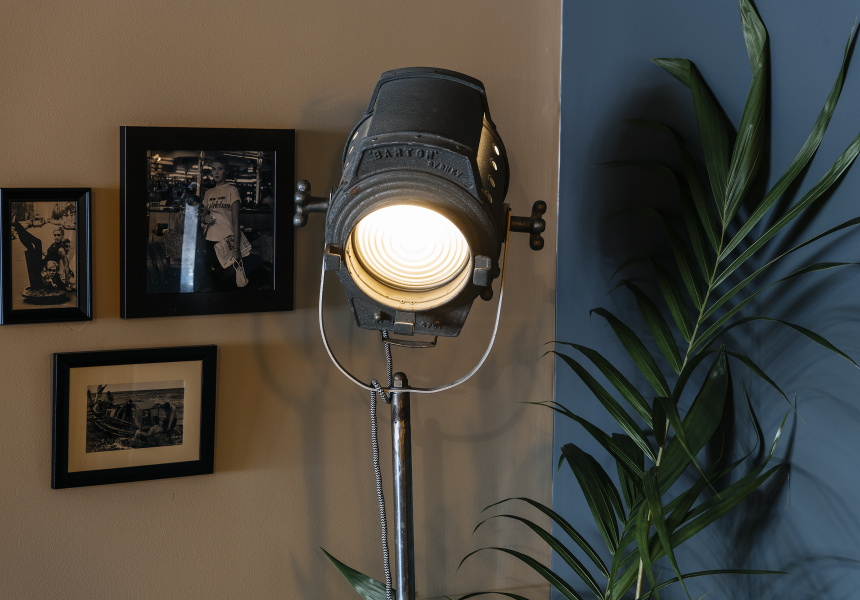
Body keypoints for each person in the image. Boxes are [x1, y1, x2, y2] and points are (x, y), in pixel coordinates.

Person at [199, 155, 243, 289]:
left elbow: (236, 221)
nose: (216, 172)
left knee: (227, 282)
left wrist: (236, 249)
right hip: (210, 242)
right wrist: (205, 219)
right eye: (213, 169)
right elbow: (203, 217)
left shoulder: (232, 190)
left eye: (220, 169)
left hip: (227, 241)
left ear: (226, 171)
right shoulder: (208, 193)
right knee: (212, 281)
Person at [12, 215, 69, 293]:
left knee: (38, 242)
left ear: (62, 236)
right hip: (41, 263)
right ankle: (16, 225)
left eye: (59, 235)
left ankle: (16, 224)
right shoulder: (54, 244)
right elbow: (48, 255)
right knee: (30, 246)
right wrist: (39, 252)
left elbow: (66, 265)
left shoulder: (61, 249)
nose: (56, 237)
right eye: (55, 235)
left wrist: (67, 283)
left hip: (41, 267)